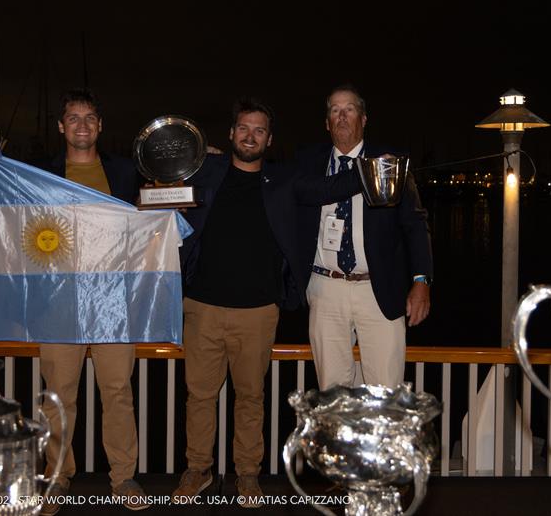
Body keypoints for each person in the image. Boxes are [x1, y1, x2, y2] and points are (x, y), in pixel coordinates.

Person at [172, 98, 362, 507]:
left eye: (259, 130)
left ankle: (247, 475)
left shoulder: (285, 181)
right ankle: (198, 470)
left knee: (251, 399)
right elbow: (162, 168)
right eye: (244, 127)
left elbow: (331, 187)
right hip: (202, 307)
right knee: (199, 398)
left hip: (258, 312)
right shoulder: (207, 170)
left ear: (269, 139)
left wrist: (377, 170)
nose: (250, 136)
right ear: (230, 133)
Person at [34, 88, 147, 514]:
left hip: (112, 300)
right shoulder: (40, 174)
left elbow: (161, 197)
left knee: (118, 391)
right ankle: (57, 476)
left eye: (90, 118)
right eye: (73, 118)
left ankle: (123, 478)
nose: (82, 125)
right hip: (58, 301)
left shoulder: (124, 172)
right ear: (62, 127)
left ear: (100, 126)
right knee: (58, 396)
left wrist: (202, 158)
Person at [294, 84, 433, 390]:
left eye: (350, 109)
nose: (342, 117)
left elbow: (414, 225)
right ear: (327, 123)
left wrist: (421, 281)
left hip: (378, 288)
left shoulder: (392, 161)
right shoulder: (306, 162)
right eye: (334, 110)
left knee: (385, 391)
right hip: (325, 289)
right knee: (332, 393)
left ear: (364, 119)